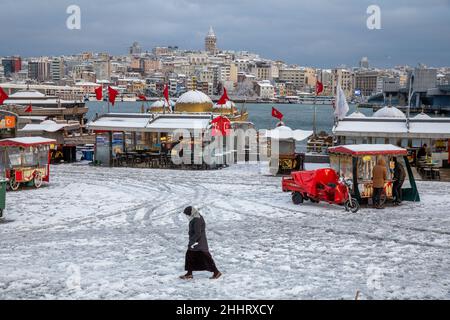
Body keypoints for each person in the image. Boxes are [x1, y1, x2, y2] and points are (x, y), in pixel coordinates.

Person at [180, 206, 222, 280]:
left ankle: (216, 272)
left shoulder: (197, 220)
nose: (187, 216)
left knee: (206, 257)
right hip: (198, 243)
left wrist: (192, 242)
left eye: (187, 214)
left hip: (198, 243)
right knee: (190, 256)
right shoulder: (196, 218)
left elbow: (197, 233)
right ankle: (189, 274)